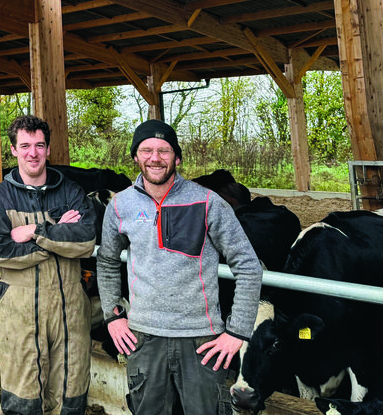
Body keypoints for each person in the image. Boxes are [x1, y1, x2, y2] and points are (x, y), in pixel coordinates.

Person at [96, 119, 263, 415]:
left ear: (177, 158)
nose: (155, 158)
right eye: (146, 150)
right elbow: (107, 260)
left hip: (201, 340)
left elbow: (249, 266)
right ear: (135, 157)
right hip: (144, 338)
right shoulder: (120, 205)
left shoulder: (208, 202)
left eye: (164, 150)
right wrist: (113, 316)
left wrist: (237, 332)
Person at [0, 114, 97, 415]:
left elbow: (86, 241)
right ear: (13, 150)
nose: (32, 153)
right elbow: (2, 252)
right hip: (18, 313)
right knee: (23, 398)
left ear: (48, 149)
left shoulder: (71, 191)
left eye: (39, 145)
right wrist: (59, 235)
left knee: (71, 394)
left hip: (70, 311)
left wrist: (35, 231)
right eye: (25, 146)